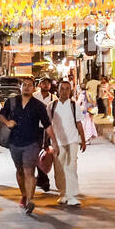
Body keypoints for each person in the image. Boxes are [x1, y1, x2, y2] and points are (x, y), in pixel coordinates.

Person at [0, 78, 54, 215]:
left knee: (29, 171)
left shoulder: (39, 106)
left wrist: (55, 143)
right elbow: (1, 114)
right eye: (24, 85)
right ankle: (24, 194)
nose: (27, 87)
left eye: (30, 85)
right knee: (20, 170)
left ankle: (29, 200)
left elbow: (47, 125)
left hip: (32, 144)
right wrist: (7, 122)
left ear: (34, 89)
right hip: (14, 143)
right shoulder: (11, 102)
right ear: (21, 87)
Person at [47, 79, 87, 207]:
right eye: (62, 89)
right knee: (59, 169)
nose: (64, 91)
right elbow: (47, 125)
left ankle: (72, 195)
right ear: (58, 90)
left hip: (72, 140)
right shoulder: (51, 106)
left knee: (71, 167)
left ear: (70, 91)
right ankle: (63, 193)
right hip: (57, 143)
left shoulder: (74, 105)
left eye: (67, 89)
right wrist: (47, 143)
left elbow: (79, 123)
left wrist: (83, 140)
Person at [34, 78, 55, 193]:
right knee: (37, 153)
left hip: (47, 129)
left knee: (45, 153)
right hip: (35, 128)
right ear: (40, 85)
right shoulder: (34, 96)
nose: (46, 85)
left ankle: (43, 178)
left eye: (48, 83)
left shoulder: (53, 98)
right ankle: (43, 178)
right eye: (44, 83)